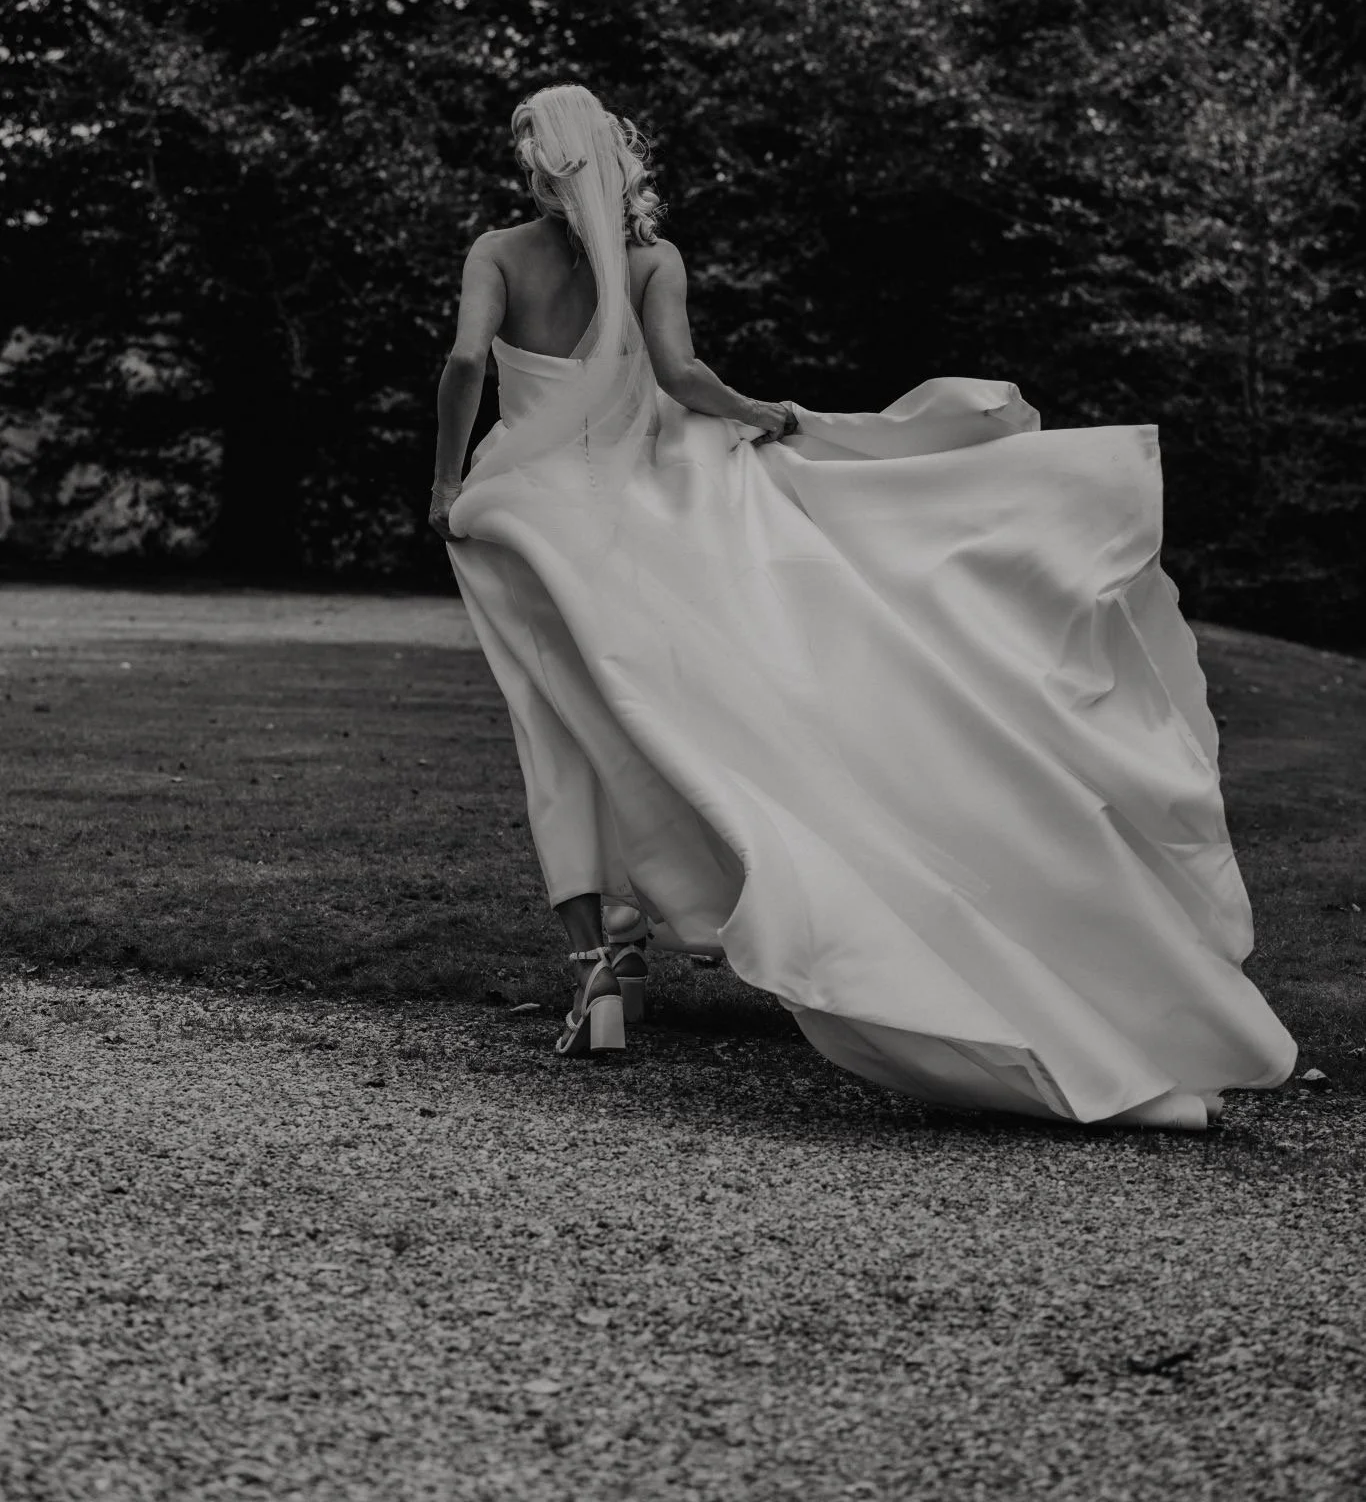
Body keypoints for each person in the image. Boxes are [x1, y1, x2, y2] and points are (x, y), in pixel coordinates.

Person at [429, 83, 1295, 1130]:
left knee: (561, 734)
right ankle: (648, 938)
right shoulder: (652, 259)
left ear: (536, 160)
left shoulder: (496, 252)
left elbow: (470, 358)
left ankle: (601, 970)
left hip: (525, 514)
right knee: (664, 716)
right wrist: (766, 415)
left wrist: (442, 488)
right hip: (630, 507)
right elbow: (683, 373)